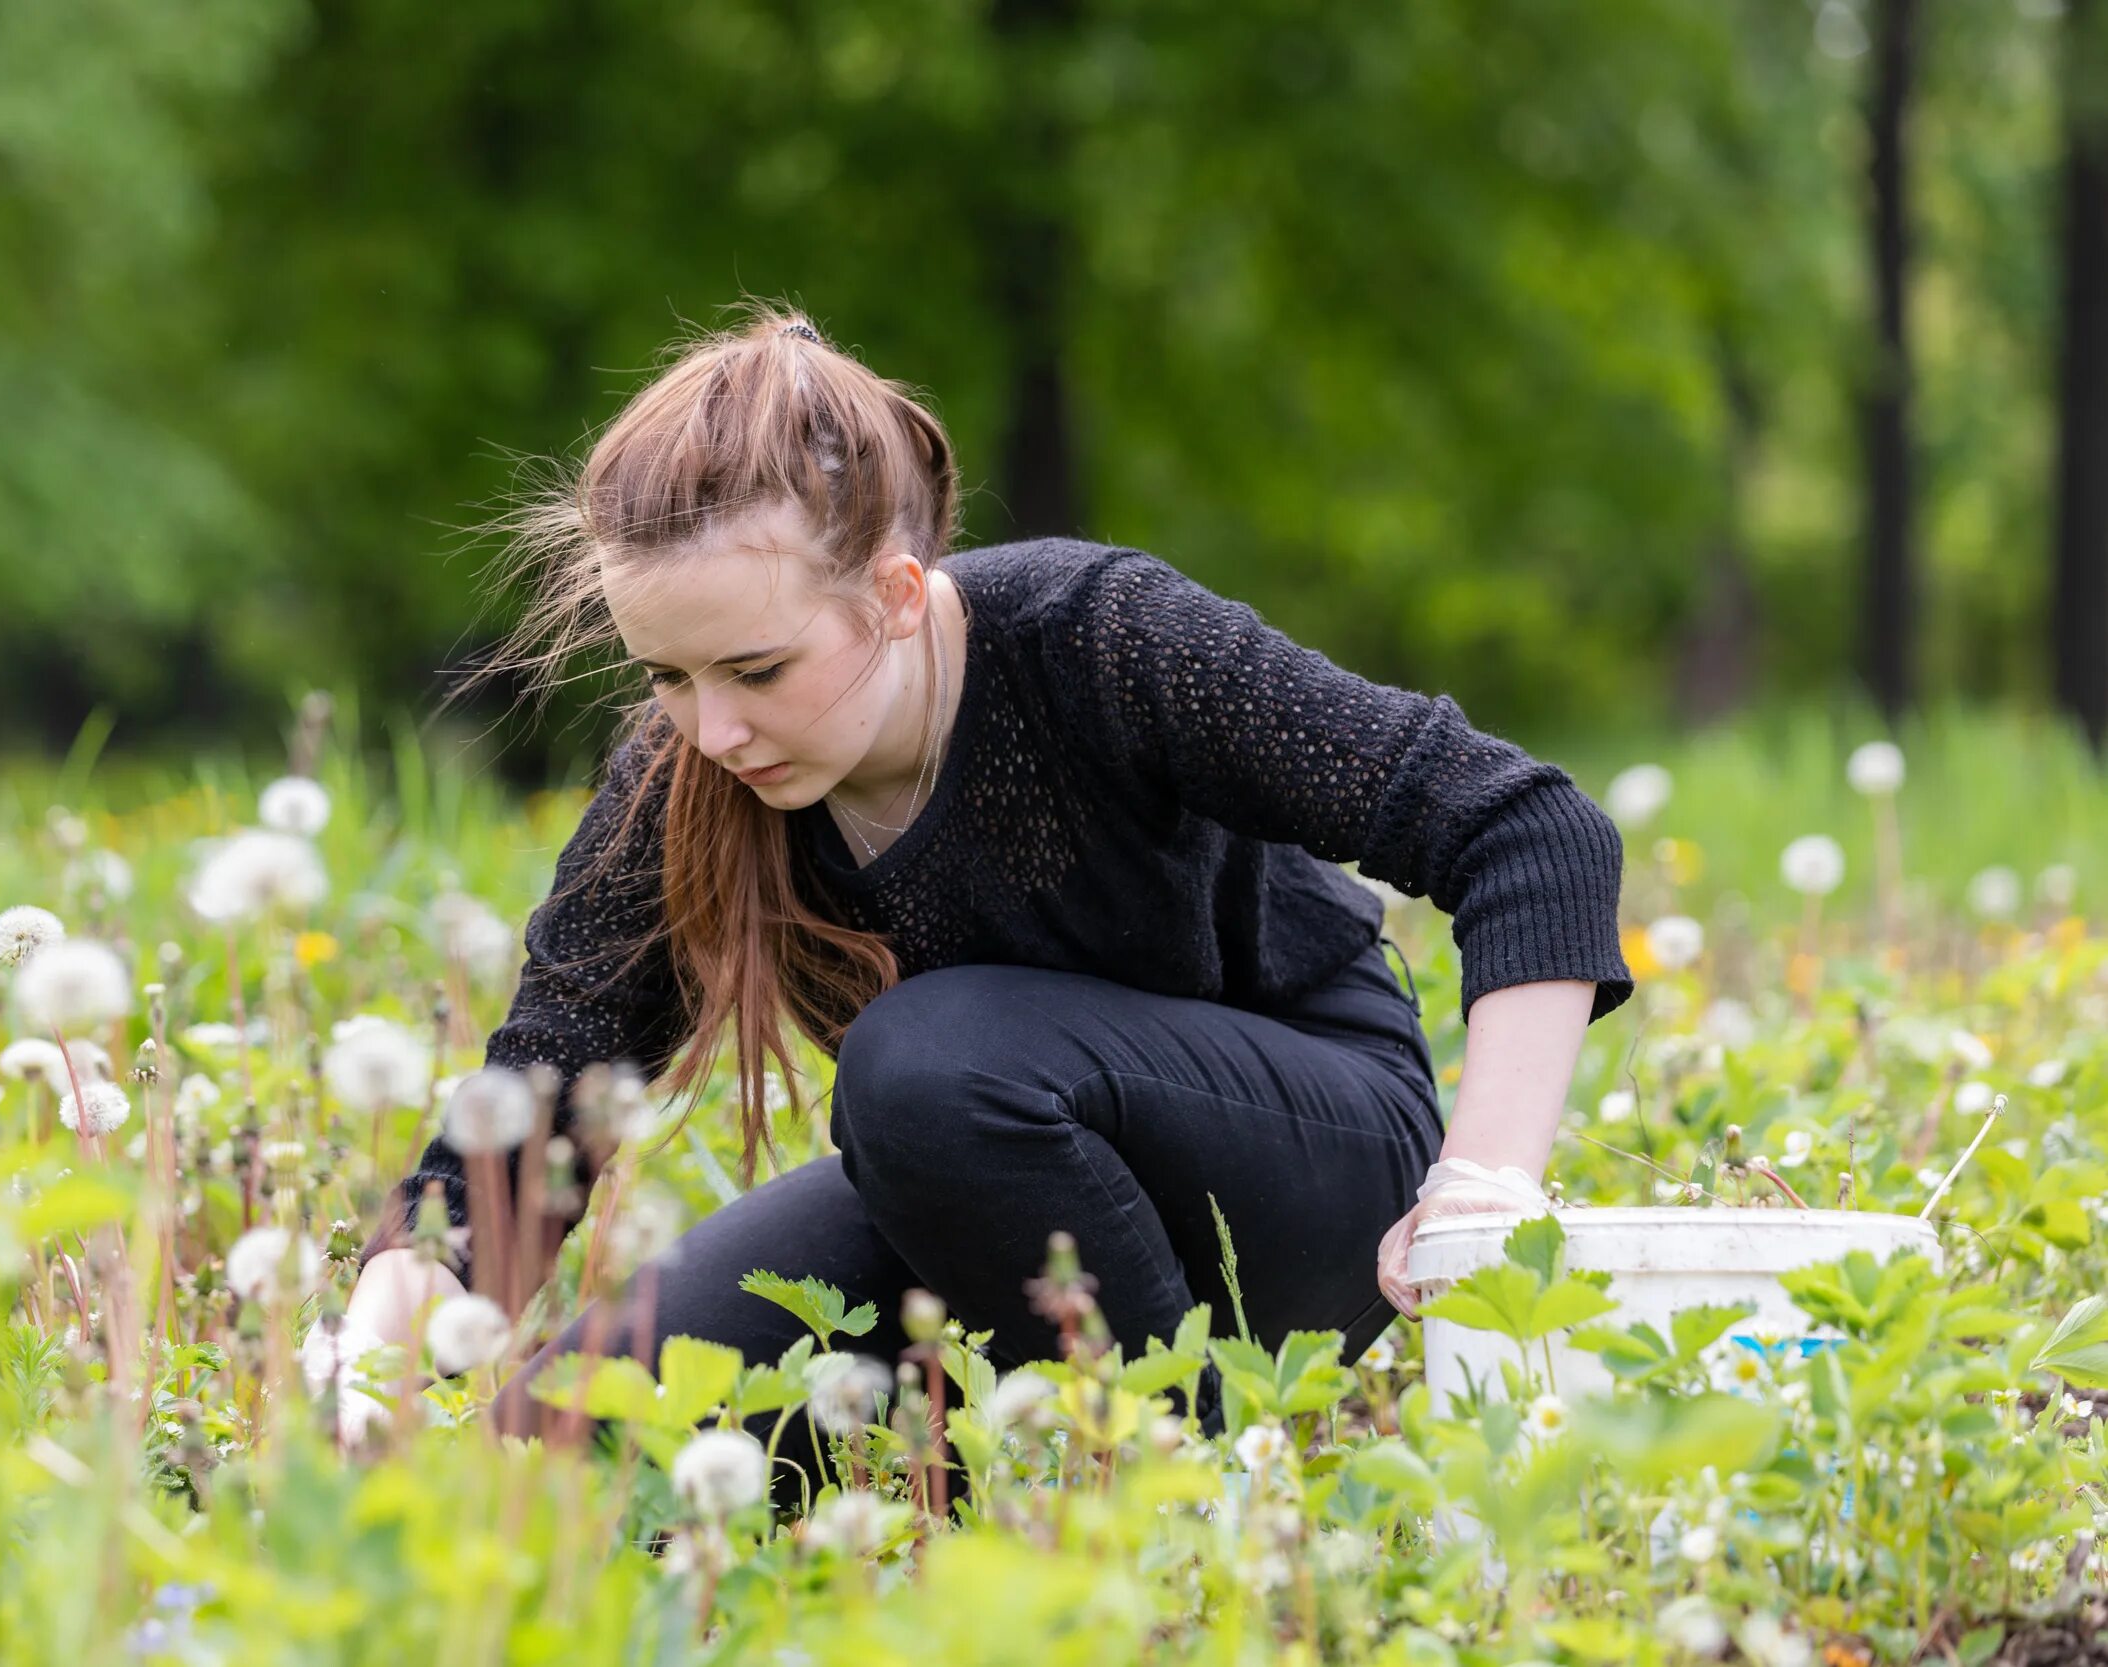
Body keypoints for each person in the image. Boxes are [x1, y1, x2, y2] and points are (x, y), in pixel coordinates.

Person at [349, 301, 1632, 1508]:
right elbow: (542, 1093)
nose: (715, 727)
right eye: (668, 675)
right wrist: (384, 1326)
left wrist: (1485, 1187)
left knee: (923, 1064)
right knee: (563, 1450)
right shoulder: (686, 772)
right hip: (996, 1200)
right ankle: (1010, 1472)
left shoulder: (1100, 637)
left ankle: (1168, 1512)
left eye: (756, 667)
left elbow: (1530, 831)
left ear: (899, 595)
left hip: (1306, 1171)